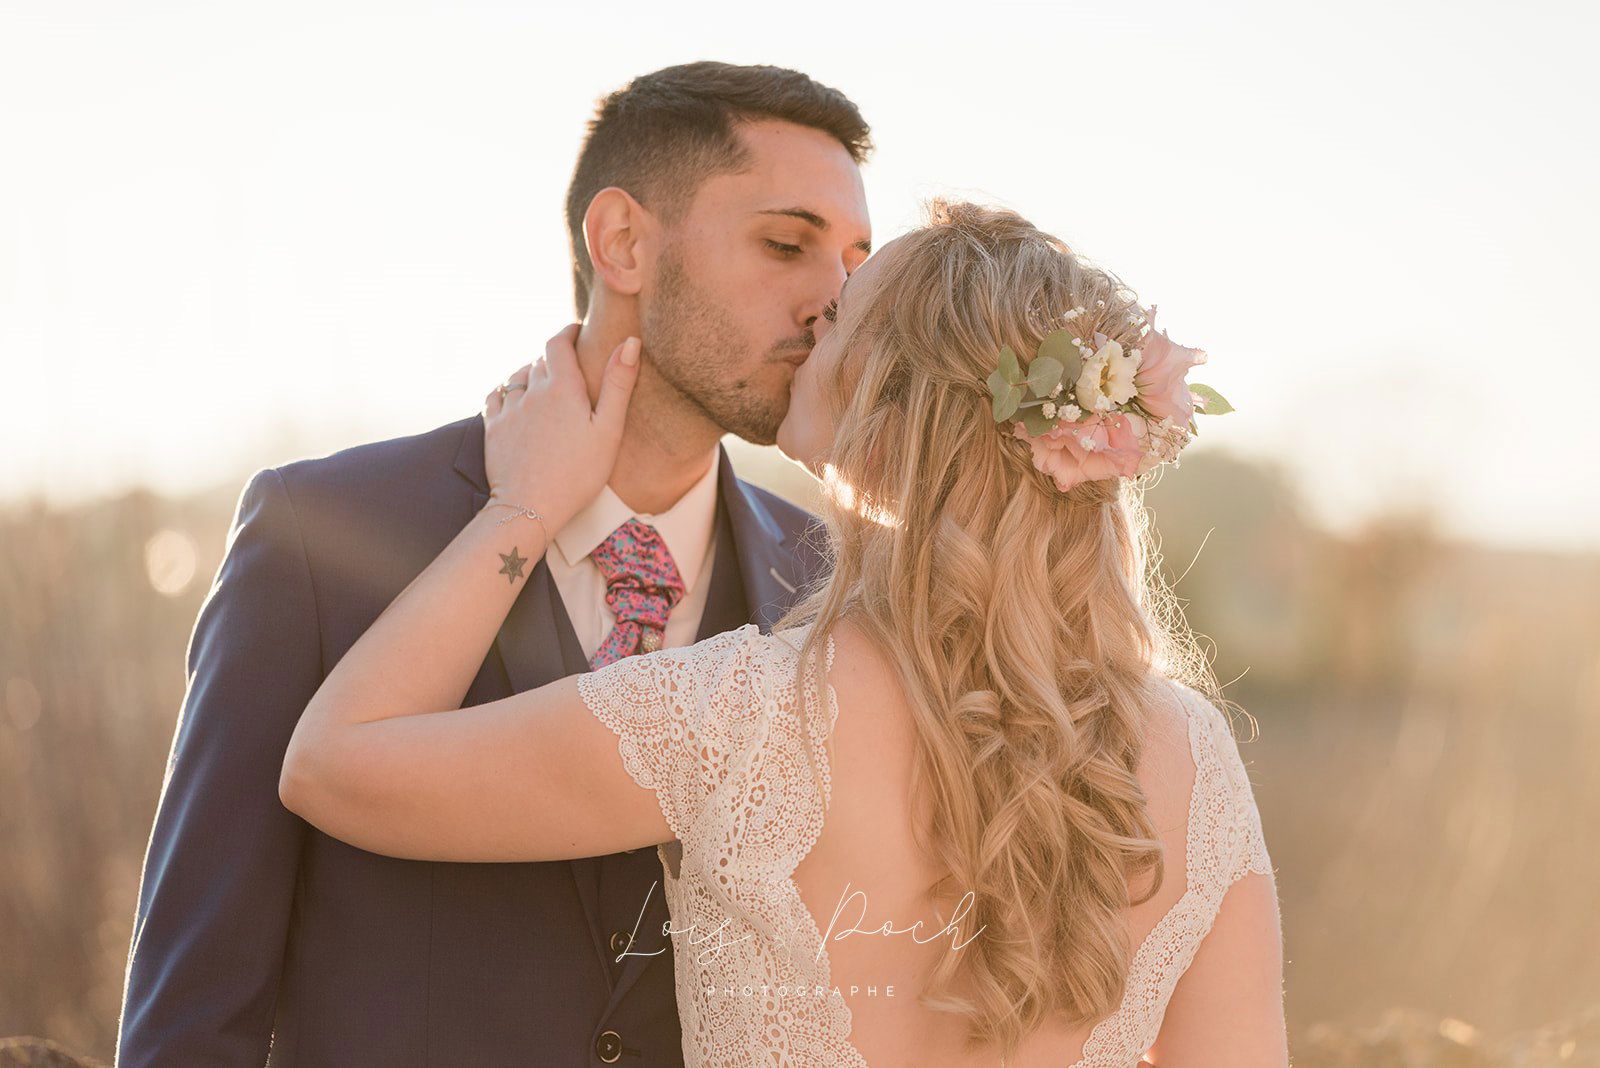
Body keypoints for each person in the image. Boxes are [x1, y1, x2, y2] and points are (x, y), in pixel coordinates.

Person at [279, 199, 1289, 1065]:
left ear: (887, 417)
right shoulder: (1191, 760)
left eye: (841, 313)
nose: (810, 318)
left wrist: (524, 506)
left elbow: (332, 763)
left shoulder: (739, 720)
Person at [117, 61, 872, 1066]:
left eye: (856, 265)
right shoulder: (320, 534)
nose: (837, 304)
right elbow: (192, 1009)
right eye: (787, 245)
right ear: (624, 243)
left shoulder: (840, 583)